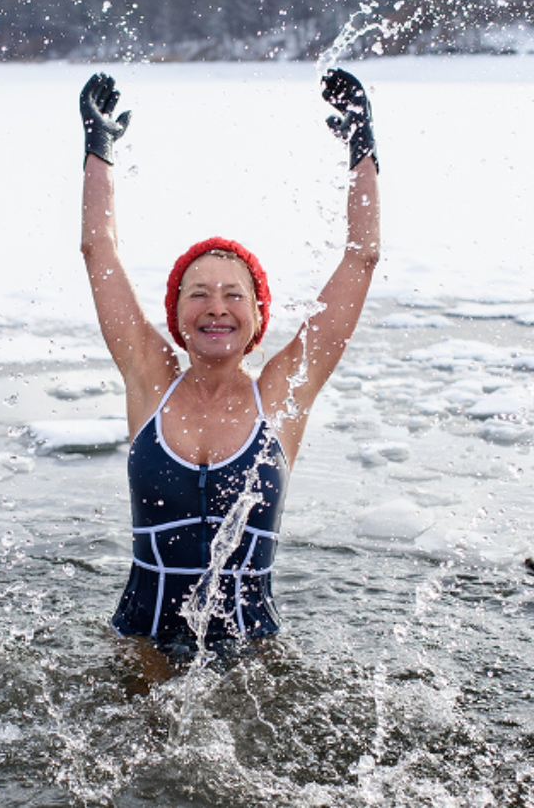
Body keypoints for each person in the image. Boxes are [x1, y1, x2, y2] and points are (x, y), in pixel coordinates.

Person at [77, 68, 381, 662]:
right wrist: (99, 151)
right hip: (142, 646)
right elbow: (99, 250)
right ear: (177, 313)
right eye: (199, 293)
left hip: (252, 654)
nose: (216, 308)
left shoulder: (283, 394)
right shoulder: (150, 380)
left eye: (233, 294)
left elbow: (362, 258)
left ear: (257, 314)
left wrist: (362, 147)